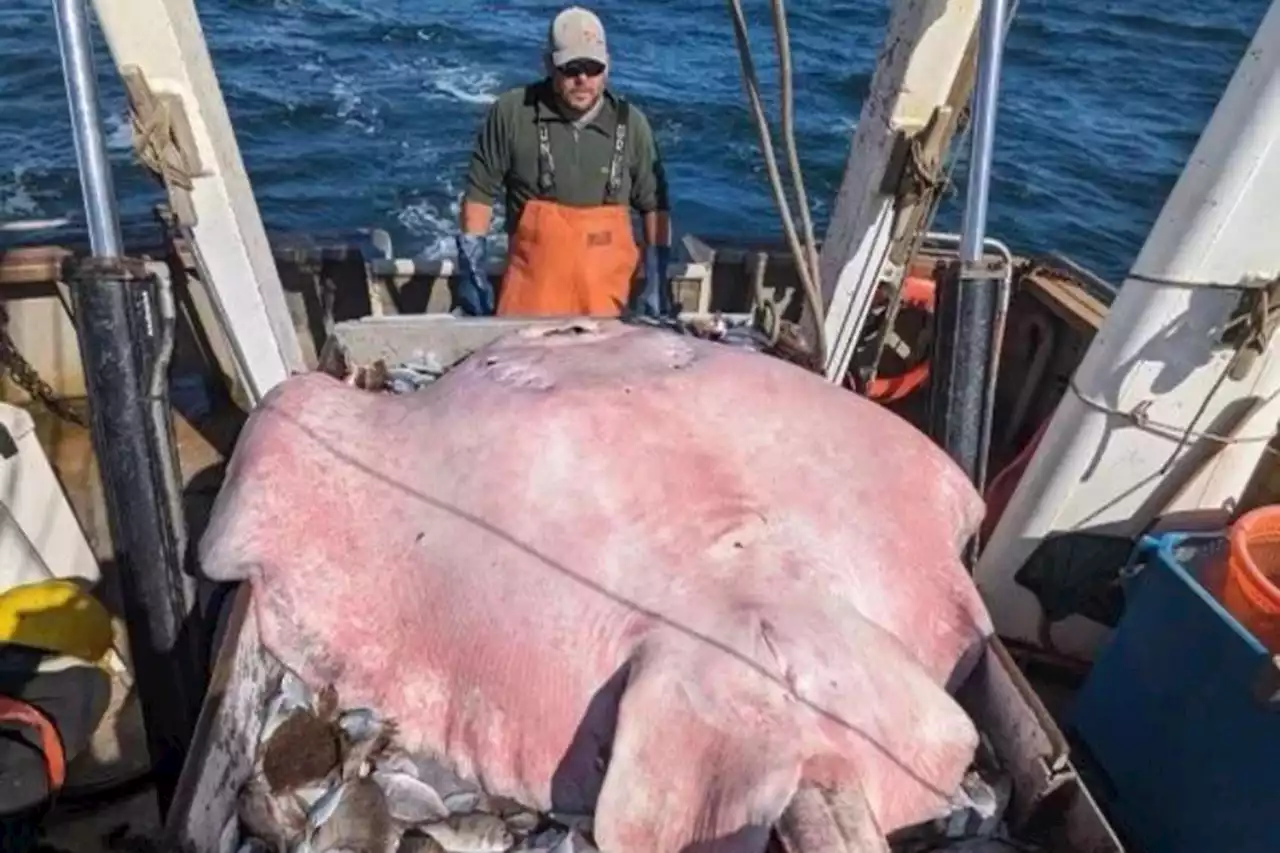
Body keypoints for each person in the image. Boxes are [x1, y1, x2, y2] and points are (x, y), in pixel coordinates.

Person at [454, 6, 673, 318]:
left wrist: (656, 279)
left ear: (608, 66)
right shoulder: (513, 112)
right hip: (528, 310)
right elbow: (479, 193)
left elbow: (655, 206)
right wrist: (473, 271)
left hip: (608, 315)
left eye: (593, 67)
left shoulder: (632, 124)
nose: (582, 79)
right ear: (548, 64)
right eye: (571, 68)